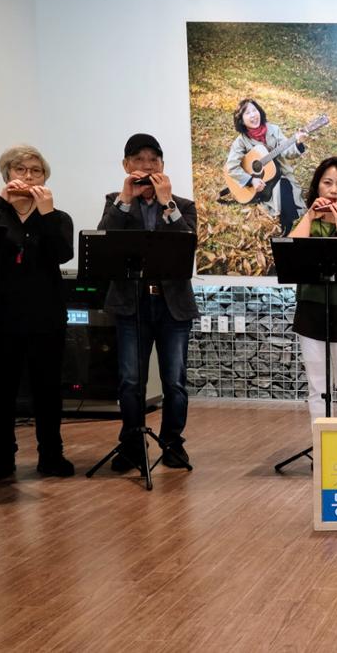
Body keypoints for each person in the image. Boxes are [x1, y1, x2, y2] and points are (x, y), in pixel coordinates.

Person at [0, 145, 75, 480]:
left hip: (46, 315)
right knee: (2, 389)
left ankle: (51, 455)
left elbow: (62, 254)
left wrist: (47, 214)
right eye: (20, 170)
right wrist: (0, 202)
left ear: (45, 177)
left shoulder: (58, 217)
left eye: (36, 171)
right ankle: (2, 457)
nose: (28, 177)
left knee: (47, 389)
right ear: (7, 174)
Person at [98, 133, 199, 470]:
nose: (146, 166)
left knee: (175, 382)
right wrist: (125, 199)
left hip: (173, 307)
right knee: (130, 381)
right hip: (131, 305)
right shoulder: (116, 202)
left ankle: (172, 443)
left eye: (153, 160)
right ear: (126, 165)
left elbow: (188, 244)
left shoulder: (182, 205)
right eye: (138, 160)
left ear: (162, 166)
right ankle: (131, 445)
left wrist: (168, 204)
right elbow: (104, 241)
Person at [289, 157, 337, 421]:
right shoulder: (307, 223)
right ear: (317, 187)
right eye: (327, 183)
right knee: (317, 388)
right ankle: (321, 444)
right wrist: (309, 216)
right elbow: (292, 254)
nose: (334, 190)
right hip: (311, 308)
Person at [225, 98, 308, 235]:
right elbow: (231, 167)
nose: (253, 115)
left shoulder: (274, 130)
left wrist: (298, 143)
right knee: (283, 189)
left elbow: (287, 152)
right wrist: (251, 180)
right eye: (247, 113)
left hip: (280, 173)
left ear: (260, 112)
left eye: (254, 110)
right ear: (241, 120)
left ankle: (290, 226)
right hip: (262, 182)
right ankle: (287, 225)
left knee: (285, 185)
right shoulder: (241, 141)